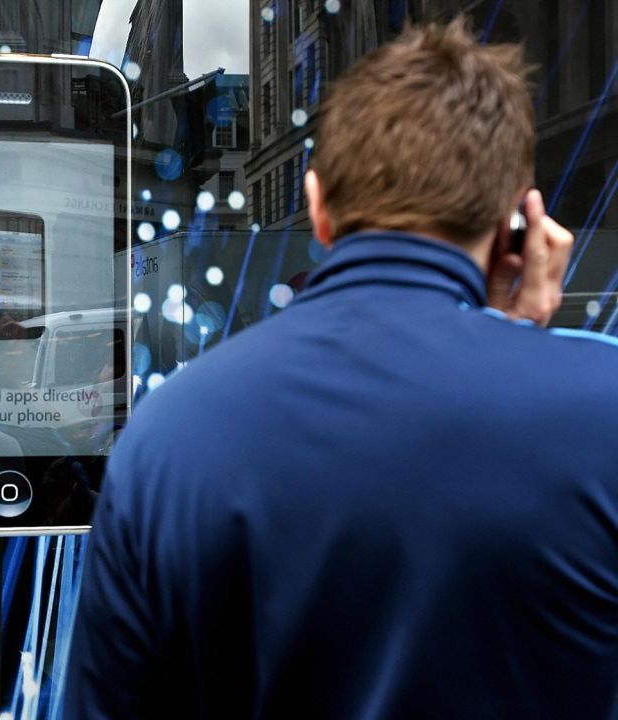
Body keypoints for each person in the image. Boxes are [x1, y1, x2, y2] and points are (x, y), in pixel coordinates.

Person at [65, 19, 617, 719]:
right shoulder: (602, 413)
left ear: (319, 207)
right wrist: (521, 341)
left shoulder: (168, 437)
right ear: (519, 221)